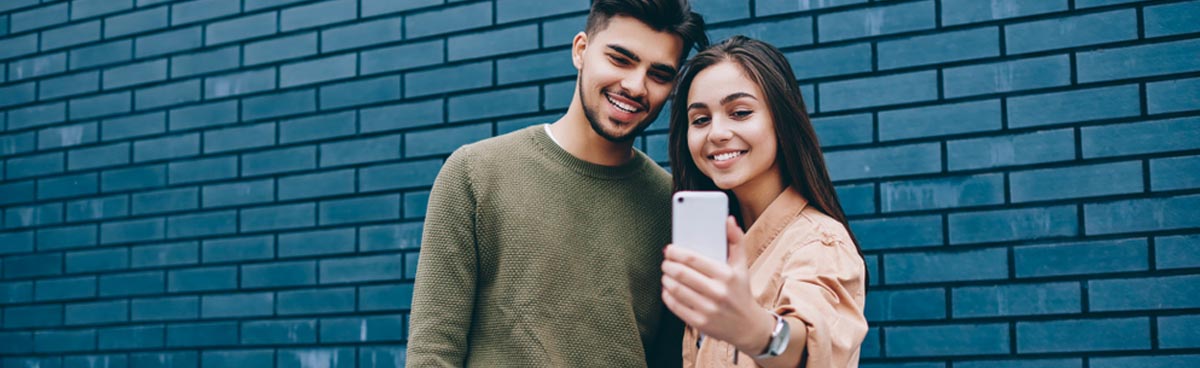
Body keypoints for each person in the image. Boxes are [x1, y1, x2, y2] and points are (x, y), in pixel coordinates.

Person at [405, 0, 707, 366]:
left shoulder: (671, 206)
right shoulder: (475, 173)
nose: (635, 85)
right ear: (581, 50)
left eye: (659, 75)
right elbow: (433, 353)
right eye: (620, 59)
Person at [661, 35, 869, 367]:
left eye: (740, 112)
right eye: (700, 119)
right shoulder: (716, 247)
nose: (716, 132)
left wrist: (755, 331)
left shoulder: (820, 244)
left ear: (781, 119)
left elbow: (807, 346)